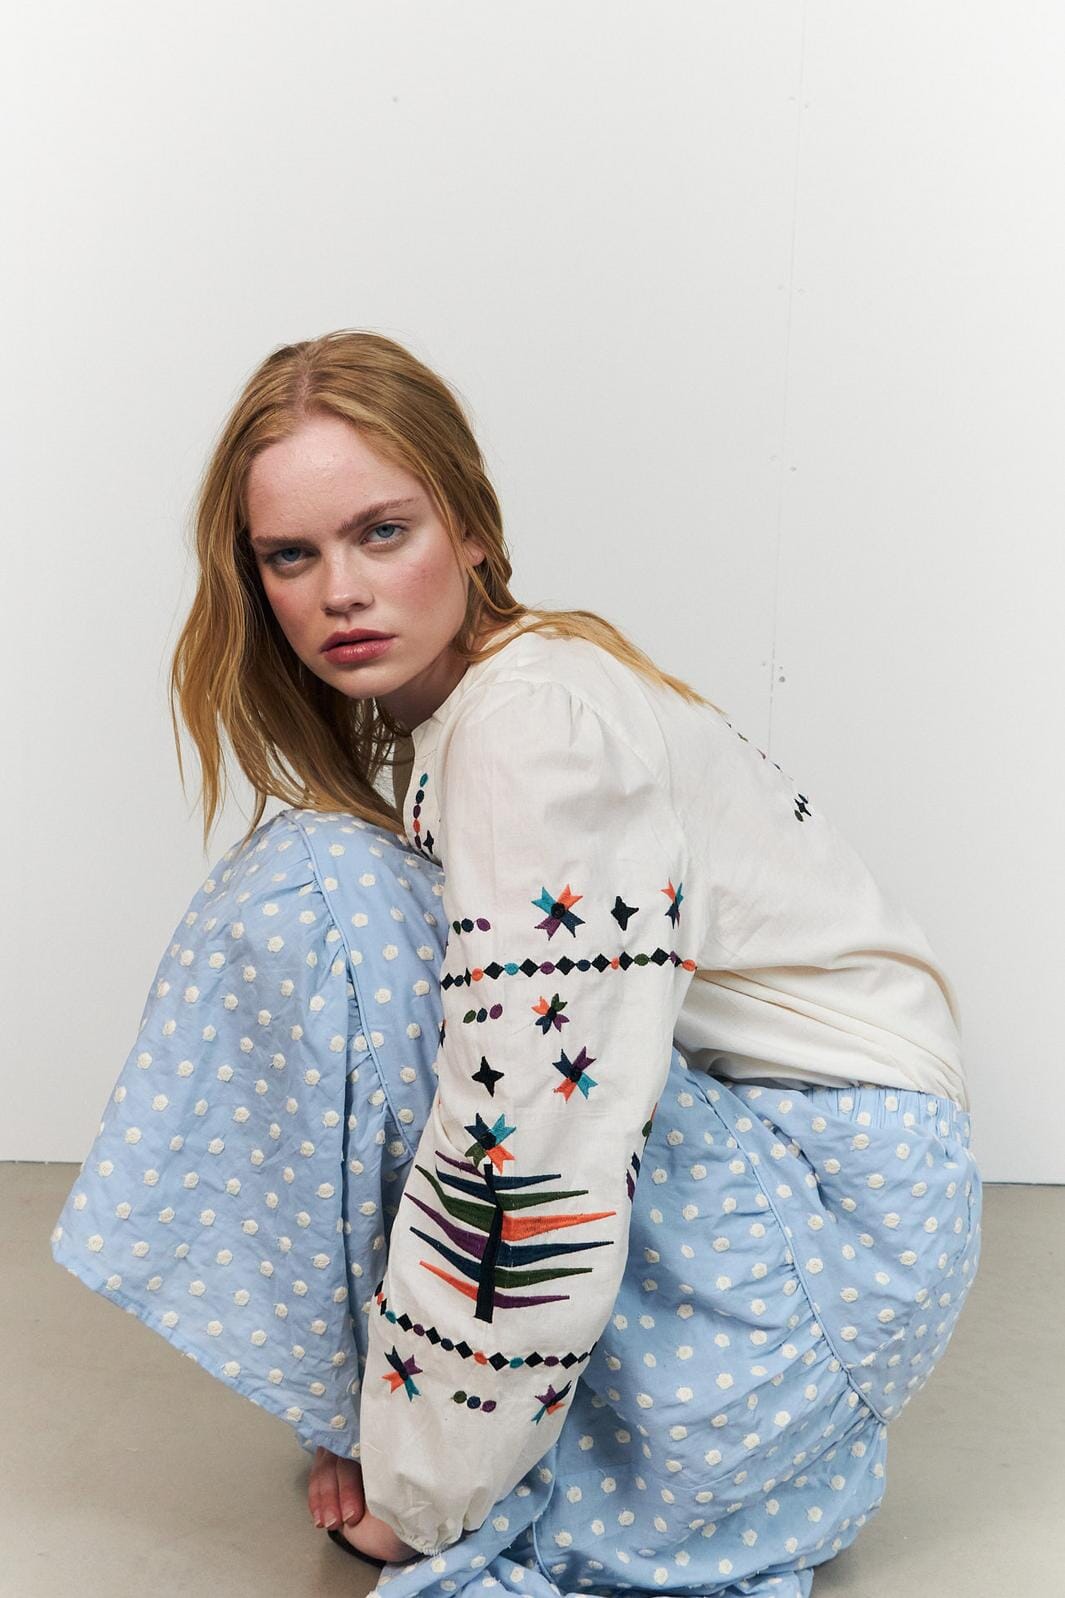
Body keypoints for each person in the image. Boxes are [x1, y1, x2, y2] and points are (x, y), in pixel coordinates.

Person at [50, 330, 982, 1598]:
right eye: (292, 554)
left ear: (472, 530)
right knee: (355, 908)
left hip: (834, 1234)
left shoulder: (530, 730)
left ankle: (455, 1422)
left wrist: (421, 1491)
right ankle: (415, 1393)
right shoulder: (487, 700)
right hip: (819, 1208)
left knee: (326, 904)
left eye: (383, 532)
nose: (340, 591)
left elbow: (542, 1133)